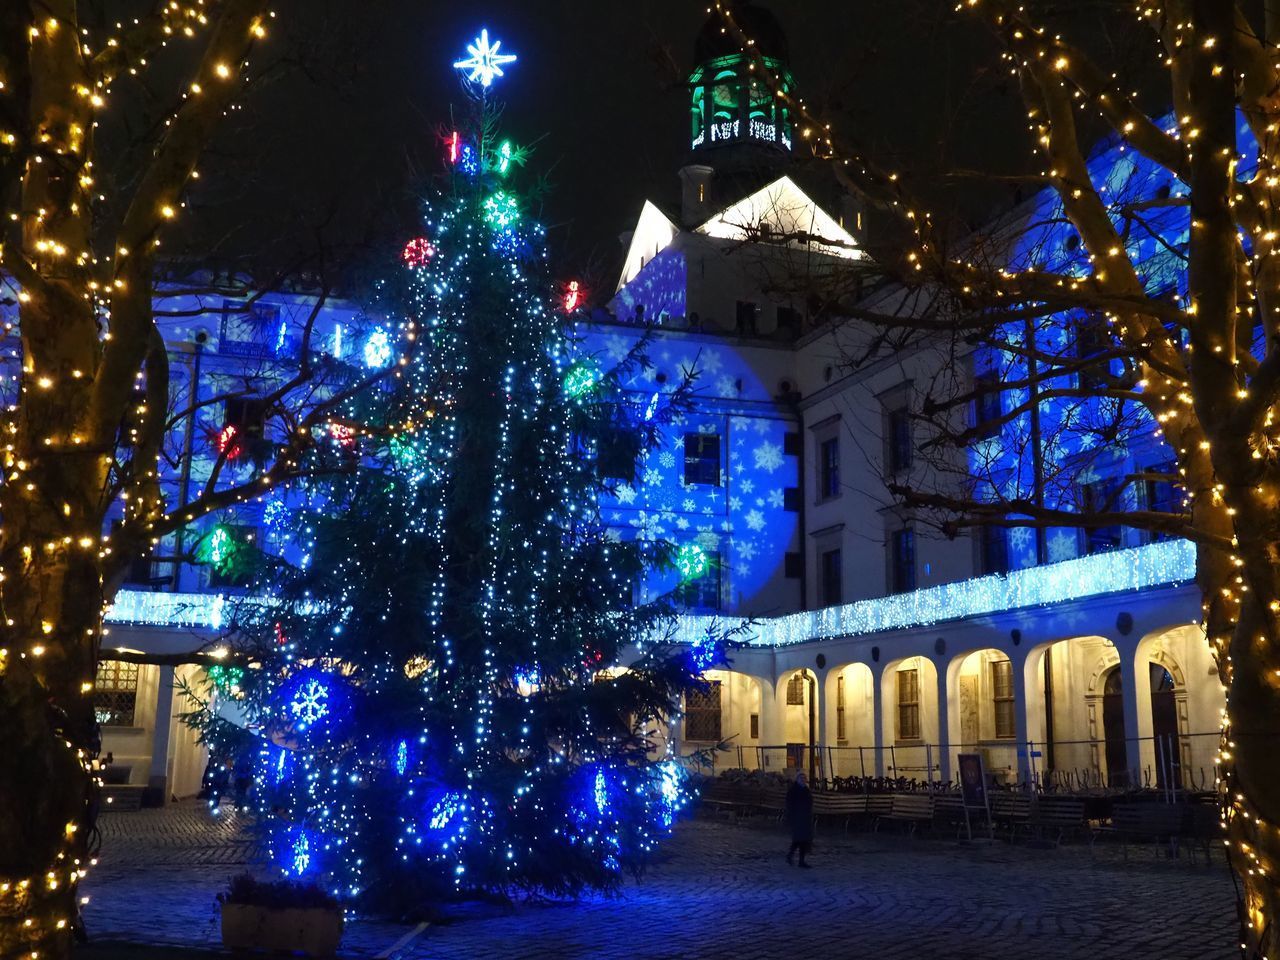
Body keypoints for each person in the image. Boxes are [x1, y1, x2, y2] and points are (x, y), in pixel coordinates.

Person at [785, 771, 814, 867]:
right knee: (798, 839)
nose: (803, 780)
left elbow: (810, 802)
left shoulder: (806, 790)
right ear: (797, 779)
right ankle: (792, 856)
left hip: (805, 818)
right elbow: (790, 804)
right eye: (801, 778)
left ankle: (799, 860)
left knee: (803, 840)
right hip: (797, 817)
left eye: (804, 778)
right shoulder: (793, 790)